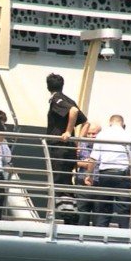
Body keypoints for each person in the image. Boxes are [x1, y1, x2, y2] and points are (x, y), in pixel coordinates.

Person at [45, 73, 90, 224]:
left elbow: (74, 111)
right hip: (67, 149)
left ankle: (70, 217)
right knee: (65, 181)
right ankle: (70, 215)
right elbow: (85, 122)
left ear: (48, 86)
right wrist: (78, 142)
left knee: (59, 182)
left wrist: (68, 132)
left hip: (60, 148)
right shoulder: (68, 98)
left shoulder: (57, 99)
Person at [86, 115, 131, 228]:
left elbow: (93, 158)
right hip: (122, 174)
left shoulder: (102, 134)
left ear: (110, 124)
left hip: (105, 173)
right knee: (124, 207)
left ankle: (101, 235)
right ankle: (125, 235)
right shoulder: (128, 134)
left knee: (103, 207)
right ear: (123, 125)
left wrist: (89, 175)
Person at [75, 123, 101, 226]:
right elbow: (72, 162)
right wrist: (84, 163)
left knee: (98, 217)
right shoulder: (81, 145)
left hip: (99, 184)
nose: (90, 136)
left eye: (93, 134)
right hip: (82, 183)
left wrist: (89, 163)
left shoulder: (105, 146)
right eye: (88, 134)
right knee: (82, 215)